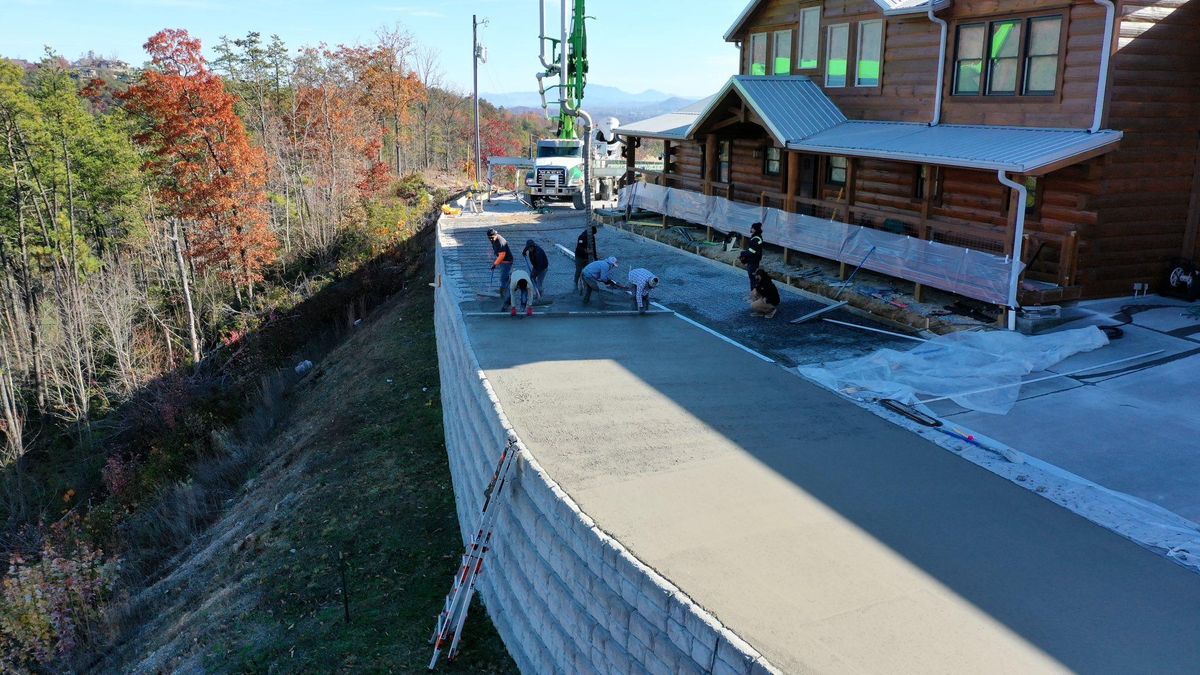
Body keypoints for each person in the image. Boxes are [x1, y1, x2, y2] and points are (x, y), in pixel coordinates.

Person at [487, 229, 514, 308]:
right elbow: (497, 251)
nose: (491, 239)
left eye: (492, 237)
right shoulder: (494, 240)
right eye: (489, 238)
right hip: (502, 261)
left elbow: (502, 255)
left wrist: (495, 264)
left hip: (506, 261)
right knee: (504, 276)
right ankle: (507, 284)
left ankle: (504, 294)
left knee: (503, 278)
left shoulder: (501, 242)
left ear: (496, 235)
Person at [574, 224, 599, 291]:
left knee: (587, 272)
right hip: (579, 257)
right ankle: (575, 285)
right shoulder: (582, 237)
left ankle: (586, 286)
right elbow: (579, 247)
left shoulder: (592, 237)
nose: (593, 235)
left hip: (587, 257)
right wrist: (586, 251)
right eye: (593, 234)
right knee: (578, 271)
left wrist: (595, 258)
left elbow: (594, 248)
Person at [740, 222, 764, 291]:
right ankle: (754, 294)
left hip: (753, 260)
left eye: (752, 228)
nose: (751, 229)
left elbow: (752, 251)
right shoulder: (756, 237)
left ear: (755, 229)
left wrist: (743, 253)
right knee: (753, 277)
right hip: (753, 259)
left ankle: (755, 296)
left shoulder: (756, 238)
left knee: (753, 278)